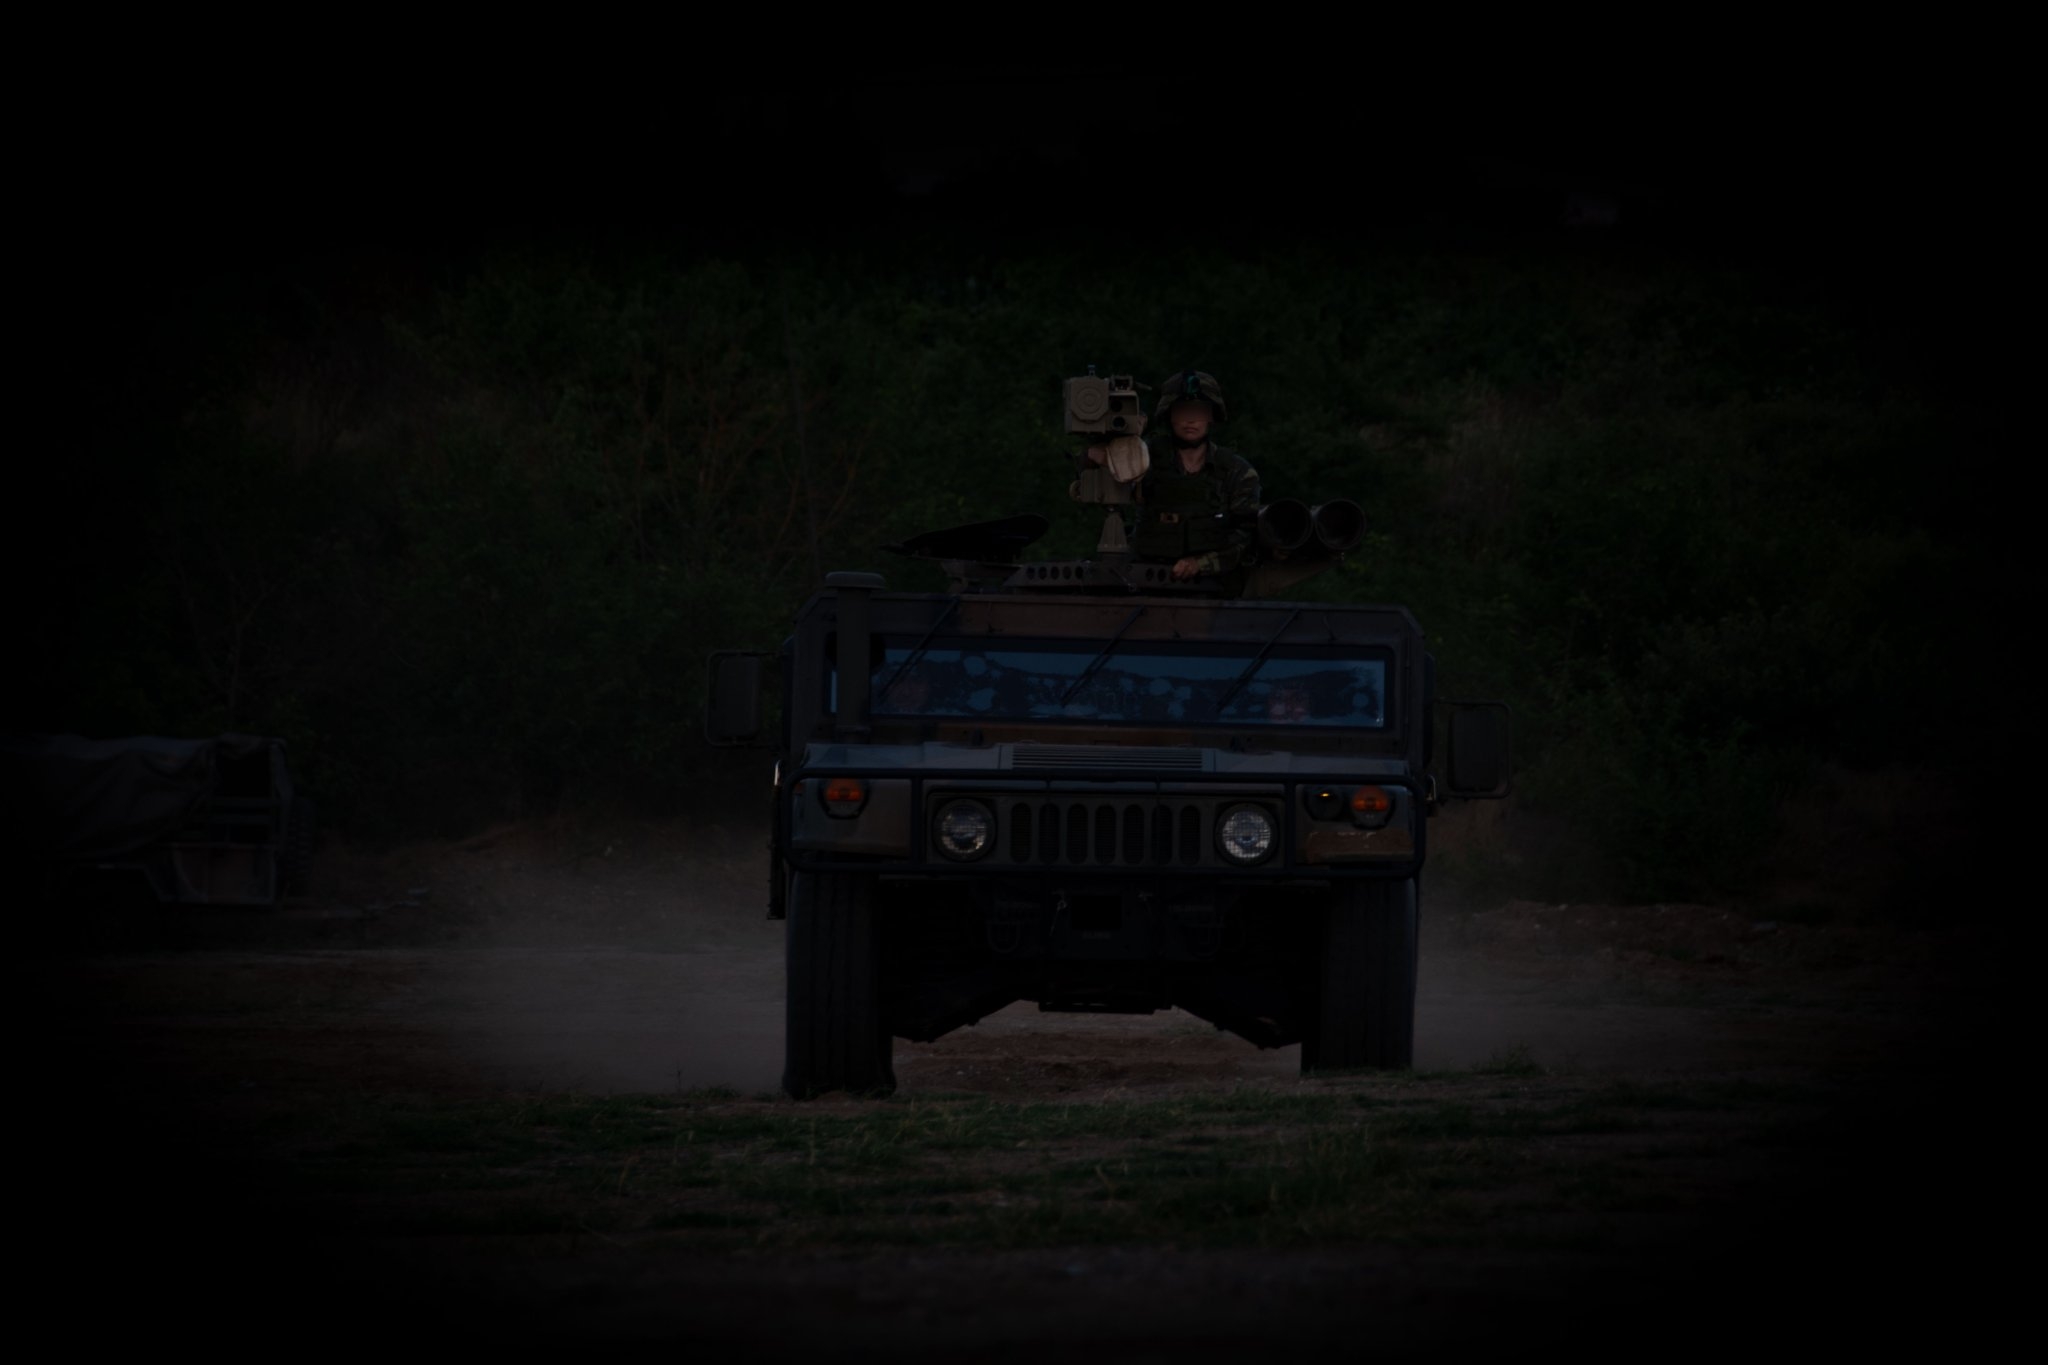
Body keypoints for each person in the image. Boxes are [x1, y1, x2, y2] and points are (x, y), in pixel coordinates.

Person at [1088, 370, 1259, 580]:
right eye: (1182, 410)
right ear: (1169, 414)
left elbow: (1245, 538)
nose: (1190, 419)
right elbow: (1106, 485)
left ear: (1211, 416)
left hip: (1211, 585)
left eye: (1199, 411)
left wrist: (1201, 564)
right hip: (1146, 578)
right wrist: (1115, 449)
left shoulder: (1237, 472)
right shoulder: (1144, 459)